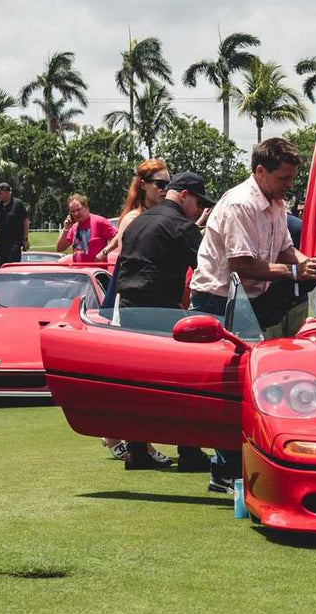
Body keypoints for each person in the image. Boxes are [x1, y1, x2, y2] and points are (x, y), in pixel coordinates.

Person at [189, 138, 316, 493]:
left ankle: (234, 469)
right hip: (218, 302)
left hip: (245, 303)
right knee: (230, 390)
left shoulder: (275, 203)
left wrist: (307, 262)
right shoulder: (240, 204)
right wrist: (299, 273)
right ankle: (224, 473)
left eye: (291, 178)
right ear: (260, 172)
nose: (289, 185)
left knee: (249, 387)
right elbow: (243, 266)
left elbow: (285, 249)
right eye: (284, 178)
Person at [114, 172, 216, 471]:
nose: (198, 210)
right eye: (198, 202)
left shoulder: (137, 221)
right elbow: (207, 269)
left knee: (140, 385)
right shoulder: (182, 226)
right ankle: (189, 451)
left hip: (130, 310)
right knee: (181, 383)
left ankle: (138, 451)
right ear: (184, 195)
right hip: (162, 310)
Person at [96, 159, 170, 263]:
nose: (165, 189)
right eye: (160, 184)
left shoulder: (168, 216)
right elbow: (130, 261)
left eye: (169, 184)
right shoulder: (131, 220)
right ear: (143, 185)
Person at [55, 194, 117, 263]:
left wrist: (104, 252)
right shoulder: (73, 228)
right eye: (73, 211)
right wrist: (66, 229)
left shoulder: (99, 222)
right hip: (79, 272)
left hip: (96, 271)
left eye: (78, 210)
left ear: (86, 208)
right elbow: (60, 248)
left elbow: (118, 237)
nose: (76, 213)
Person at [0, 182, 30, 268]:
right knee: (1, 267)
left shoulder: (18, 204)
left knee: (13, 267)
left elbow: (26, 221)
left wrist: (25, 239)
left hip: (14, 243)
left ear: (7, 192)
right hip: (0, 243)